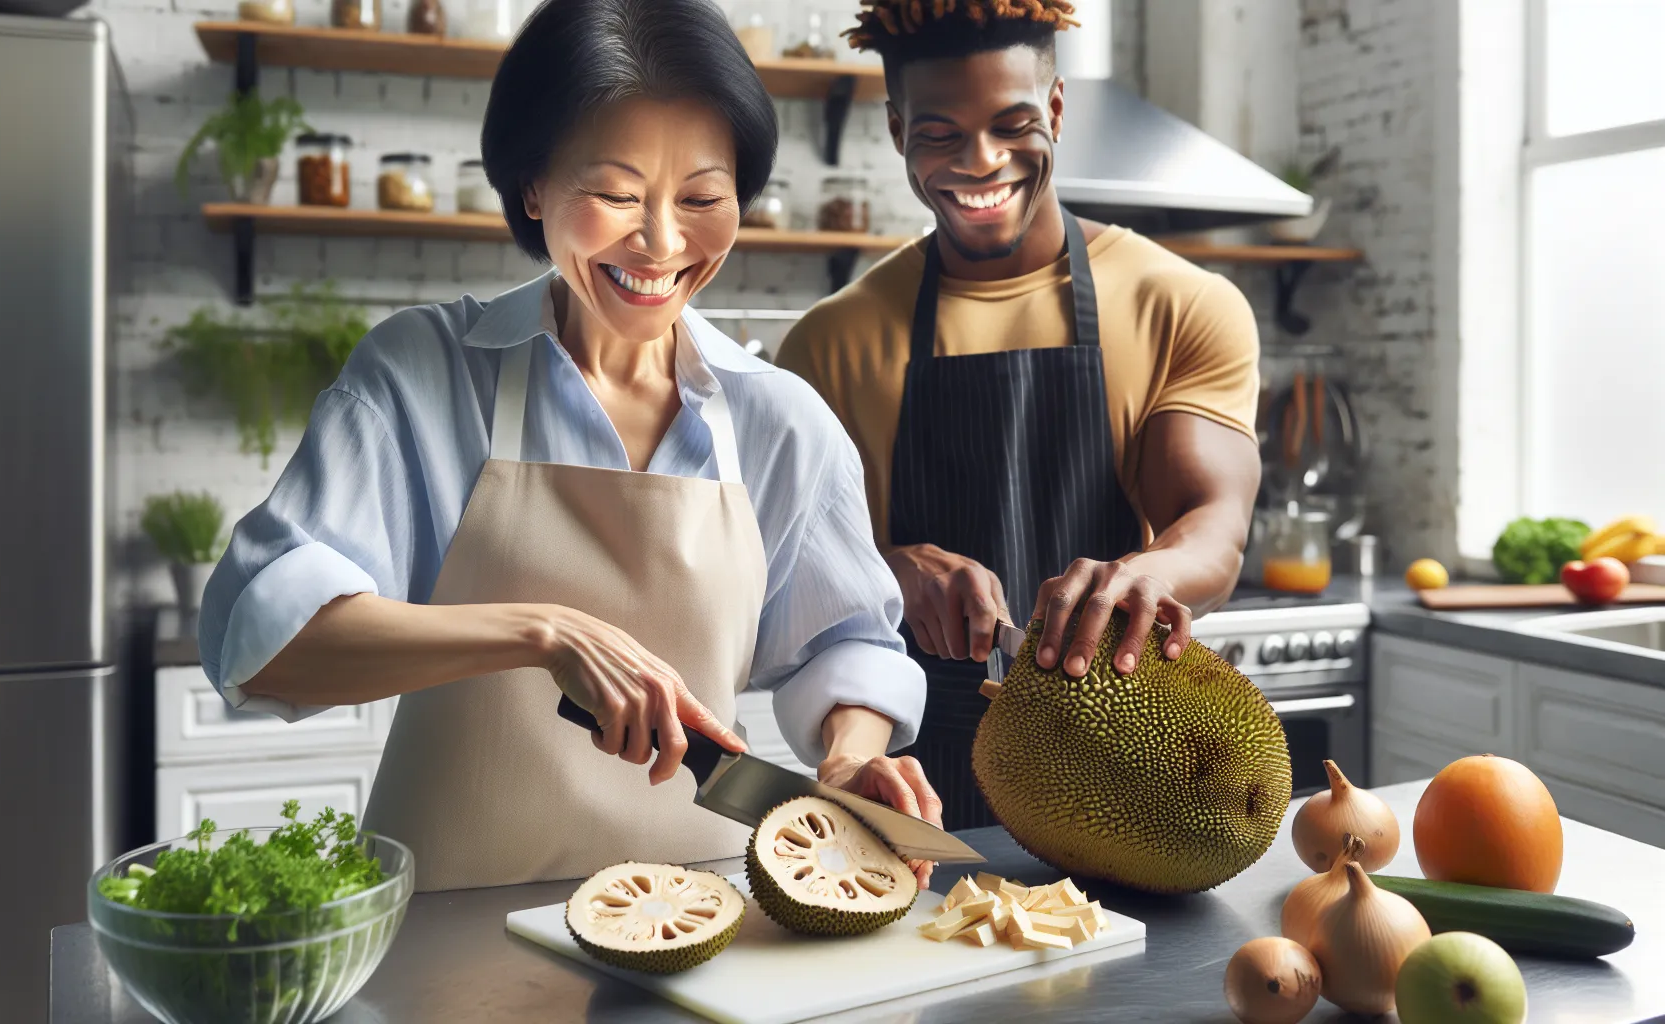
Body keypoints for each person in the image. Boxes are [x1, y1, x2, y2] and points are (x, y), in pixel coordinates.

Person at [198, 0, 940, 893]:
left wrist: (851, 759)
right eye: (617, 195)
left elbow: (845, 640)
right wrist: (543, 633)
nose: (662, 243)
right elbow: (262, 640)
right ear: (532, 187)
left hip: (687, 928)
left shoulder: (784, 422)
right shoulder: (426, 374)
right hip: (448, 928)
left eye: (703, 198)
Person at [777, 0, 1262, 830]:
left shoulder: (1183, 304)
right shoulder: (830, 343)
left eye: (1013, 124)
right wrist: (890, 570)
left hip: (1122, 774)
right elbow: (795, 588)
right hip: (912, 796)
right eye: (939, 133)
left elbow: (1213, 523)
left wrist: (1140, 578)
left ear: (1058, 112)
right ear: (896, 130)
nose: (981, 161)